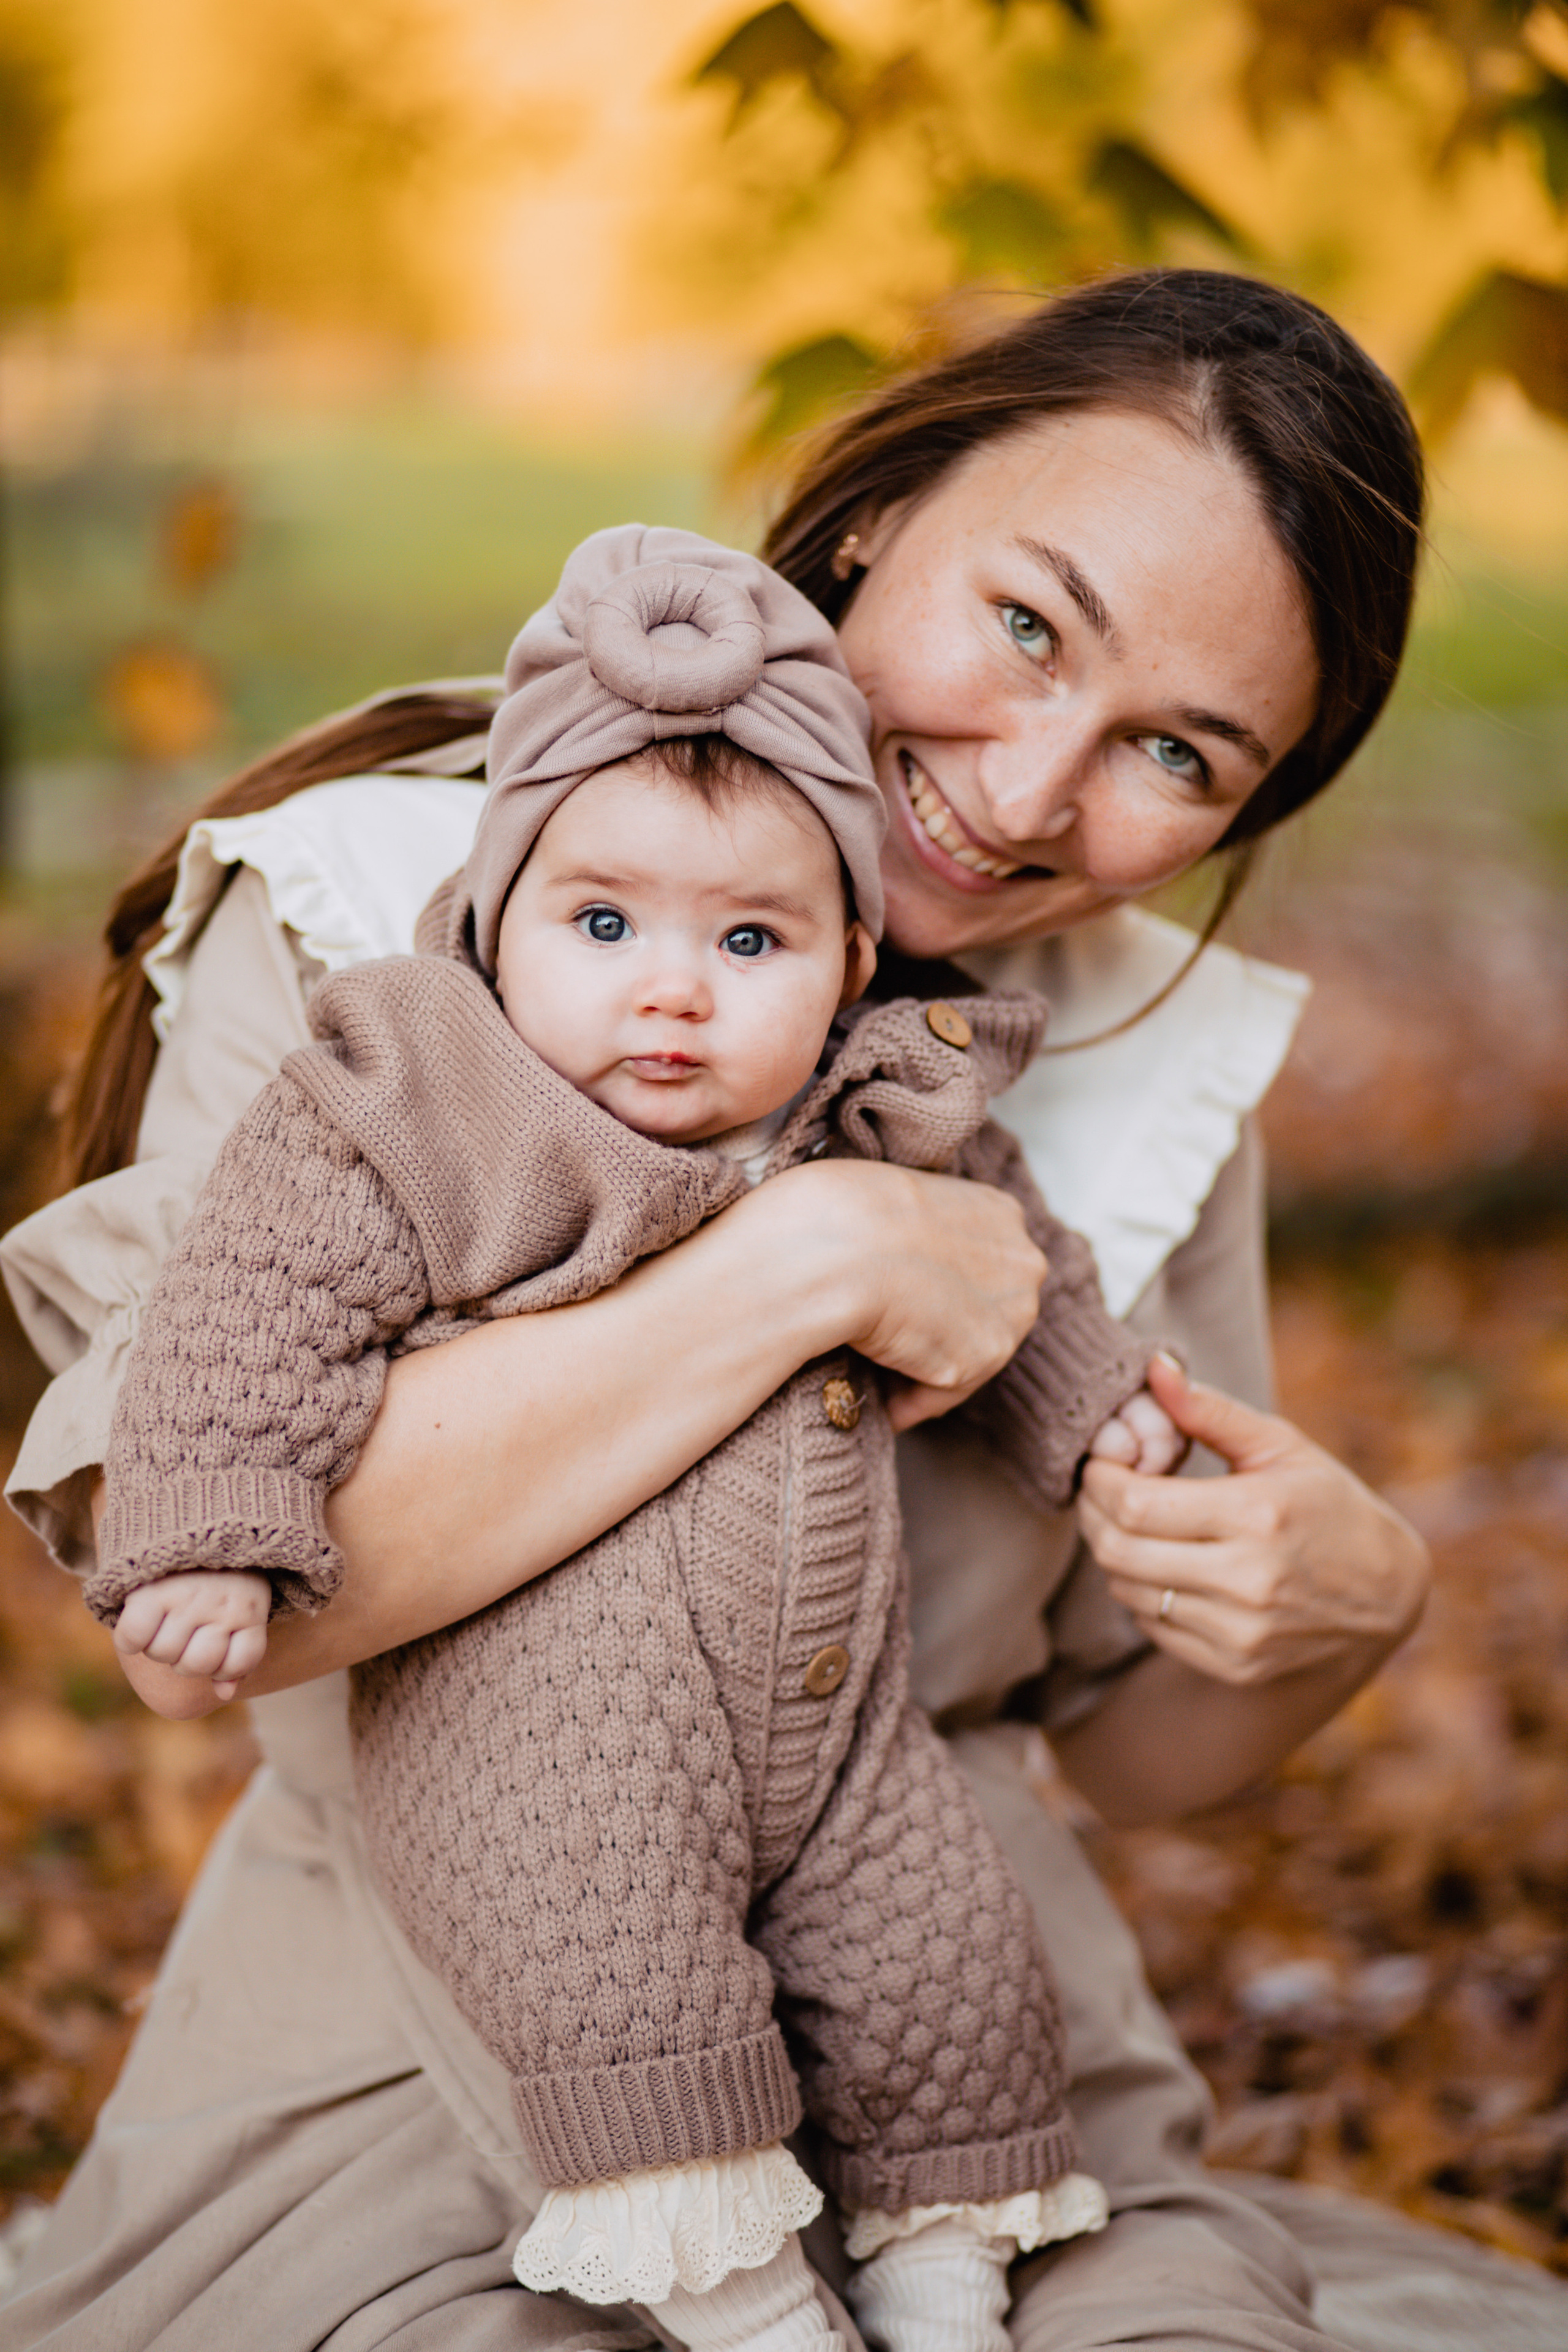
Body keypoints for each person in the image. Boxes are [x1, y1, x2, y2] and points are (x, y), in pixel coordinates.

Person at [1, 270, 1438, 2350]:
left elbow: (1125, 1750)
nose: (1035, 794)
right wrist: (812, 1262)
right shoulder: (368, 928)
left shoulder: (1138, 1056)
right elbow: (219, 1620)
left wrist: (1344, 1613)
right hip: (419, 2055)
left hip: (989, 2073)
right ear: (876, 518)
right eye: (1027, 625)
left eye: (1177, 754)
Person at [93, 525, 1174, 2352]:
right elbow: (256, 1297)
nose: (671, 990)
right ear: (495, 924)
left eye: (748, 940)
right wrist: (209, 1525)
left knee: (948, 1959)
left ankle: (942, 2265)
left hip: (836, 1722)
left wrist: (1104, 1430)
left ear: (845, 965)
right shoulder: (430, 1097)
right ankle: (752, 2306)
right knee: (627, 1996)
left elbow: (1031, 1280)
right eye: (603, 925)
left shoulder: (880, 1105)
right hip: (543, 1742)